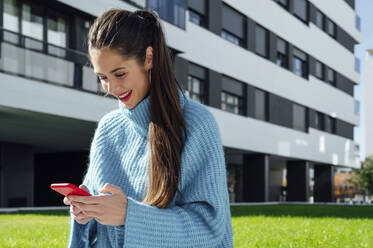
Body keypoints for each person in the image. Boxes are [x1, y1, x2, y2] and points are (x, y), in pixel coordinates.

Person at [64, 8, 233, 248]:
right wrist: (86, 210)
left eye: (119, 73)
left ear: (148, 58)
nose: (110, 88)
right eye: (102, 77)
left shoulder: (196, 124)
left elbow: (208, 227)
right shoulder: (108, 129)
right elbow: (97, 226)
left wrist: (128, 216)